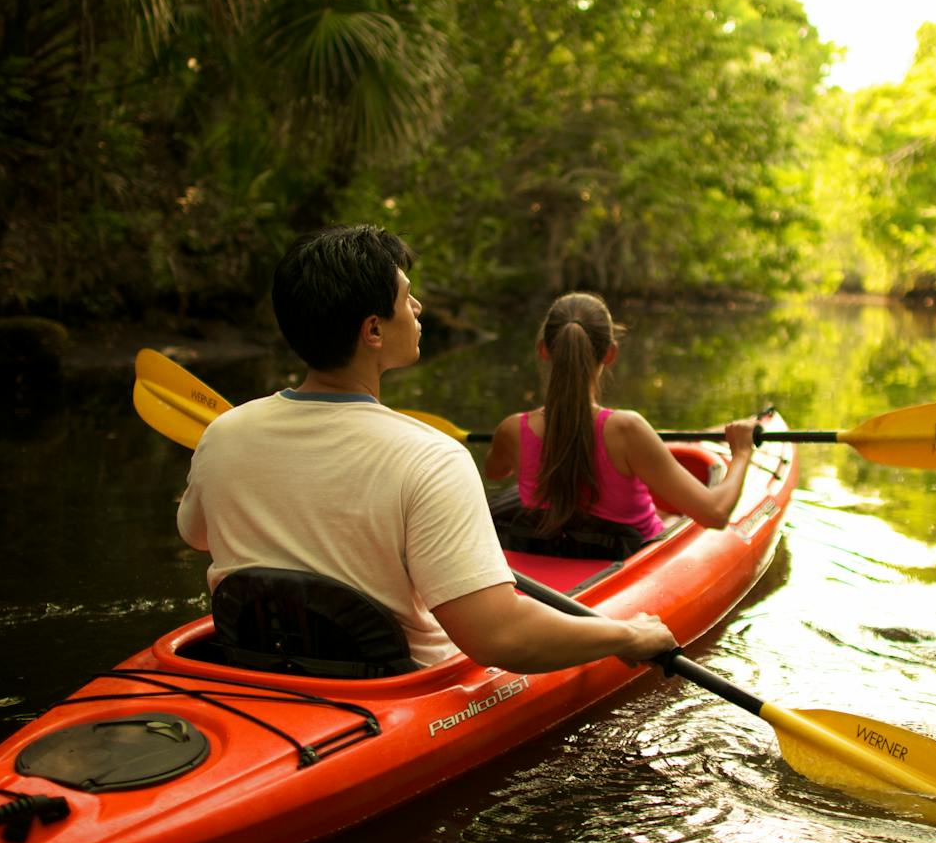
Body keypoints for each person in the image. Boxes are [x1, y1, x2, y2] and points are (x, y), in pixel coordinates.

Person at [176, 225, 679, 672]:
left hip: (251, 664)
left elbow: (198, 534)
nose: (417, 309)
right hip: (396, 684)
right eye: (406, 298)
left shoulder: (223, 434)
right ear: (373, 330)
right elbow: (501, 637)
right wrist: (629, 633)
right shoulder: (432, 458)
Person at [483, 292, 758, 553]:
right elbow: (715, 514)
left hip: (548, 553)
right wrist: (742, 453)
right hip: (621, 560)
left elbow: (496, 471)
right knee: (671, 519)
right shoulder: (627, 430)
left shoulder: (512, 429)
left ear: (544, 350)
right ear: (610, 354)